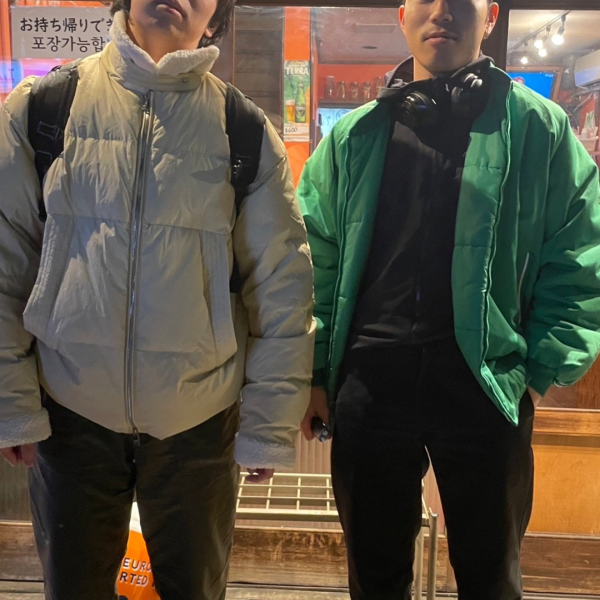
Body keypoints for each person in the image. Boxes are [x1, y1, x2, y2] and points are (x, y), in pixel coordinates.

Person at [0, 0, 315, 598]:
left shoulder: (243, 128)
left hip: (200, 420)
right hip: (68, 410)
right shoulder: (43, 108)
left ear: (216, 16)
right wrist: (9, 398)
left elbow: (282, 283)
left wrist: (269, 422)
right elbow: (4, 258)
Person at [297, 0, 600, 598]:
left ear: (490, 16)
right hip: (369, 382)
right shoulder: (355, 135)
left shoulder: (539, 128)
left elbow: (580, 254)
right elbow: (314, 260)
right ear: (402, 15)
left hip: (485, 380)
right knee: (374, 576)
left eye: (459, 2)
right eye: (426, 1)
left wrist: (539, 371)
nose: (442, 13)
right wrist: (315, 372)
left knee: (491, 576)